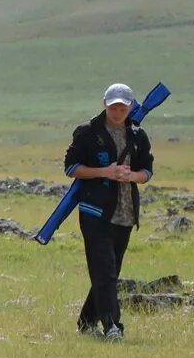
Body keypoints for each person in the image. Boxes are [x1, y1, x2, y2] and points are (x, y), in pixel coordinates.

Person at [64, 83, 154, 340]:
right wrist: (105, 172)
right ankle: (112, 326)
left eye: (122, 107)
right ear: (105, 103)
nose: (117, 111)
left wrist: (131, 176)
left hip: (125, 213)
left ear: (130, 107)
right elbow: (71, 168)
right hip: (95, 212)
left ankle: (86, 321)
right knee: (105, 271)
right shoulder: (87, 133)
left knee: (109, 272)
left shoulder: (138, 137)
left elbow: (147, 171)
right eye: (113, 105)